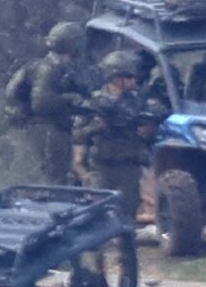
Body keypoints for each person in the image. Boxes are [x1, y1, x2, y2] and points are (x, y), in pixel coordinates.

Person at [71, 50, 158, 222]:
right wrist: (95, 128)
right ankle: (100, 248)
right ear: (116, 78)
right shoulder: (95, 103)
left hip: (129, 167)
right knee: (99, 217)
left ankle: (127, 248)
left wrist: (147, 131)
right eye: (129, 76)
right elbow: (77, 135)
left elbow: (152, 131)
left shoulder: (139, 102)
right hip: (101, 166)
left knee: (127, 217)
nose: (134, 81)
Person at [21, 22, 92, 184]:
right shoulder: (48, 70)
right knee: (54, 177)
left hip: (54, 128)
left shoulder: (61, 66)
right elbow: (40, 103)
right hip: (47, 130)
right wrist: (71, 98)